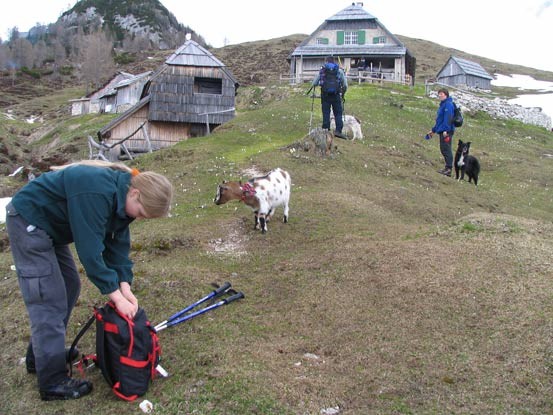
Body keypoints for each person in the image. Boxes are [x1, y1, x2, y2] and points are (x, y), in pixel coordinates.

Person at [5, 160, 173, 401]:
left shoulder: (122, 198)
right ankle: (52, 381)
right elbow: (90, 252)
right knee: (48, 297)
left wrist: (125, 287)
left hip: (51, 228)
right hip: (29, 221)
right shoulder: (96, 192)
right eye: (142, 213)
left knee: (70, 285)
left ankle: (40, 356)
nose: (140, 218)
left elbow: (116, 244)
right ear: (135, 193)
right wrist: (115, 297)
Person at [311, 56, 348, 139]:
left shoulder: (323, 70)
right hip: (336, 95)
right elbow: (345, 85)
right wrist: (343, 93)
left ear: (326, 61)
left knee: (326, 112)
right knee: (338, 113)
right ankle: (338, 131)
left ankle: (326, 129)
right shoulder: (339, 71)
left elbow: (314, 83)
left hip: (325, 95)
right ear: (334, 61)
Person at [427, 88, 456, 176]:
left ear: (446, 95)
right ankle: (447, 168)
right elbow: (439, 120)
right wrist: (433, 130)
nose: (440, 95)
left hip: (446, 132)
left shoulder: (448, 105)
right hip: (442, 130)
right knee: (443, 149)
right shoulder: (443, 105)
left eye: (442, 94)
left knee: (446, 149)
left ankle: (448, 169)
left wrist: (446, 130)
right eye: (439, 94)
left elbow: (448, 118)